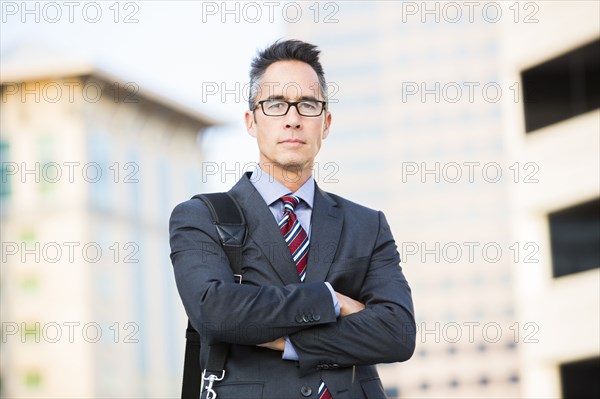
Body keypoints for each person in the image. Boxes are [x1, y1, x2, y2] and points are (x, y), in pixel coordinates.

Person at [169, 39, 415, 399]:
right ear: (251, 121)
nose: (293, 118)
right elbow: (215, 312)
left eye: (308, 105)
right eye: (276, 104)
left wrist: (284, 340)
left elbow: (397, 333)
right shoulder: (201, 217)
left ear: (326, 123)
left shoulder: (367, 224)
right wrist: (330, 300)